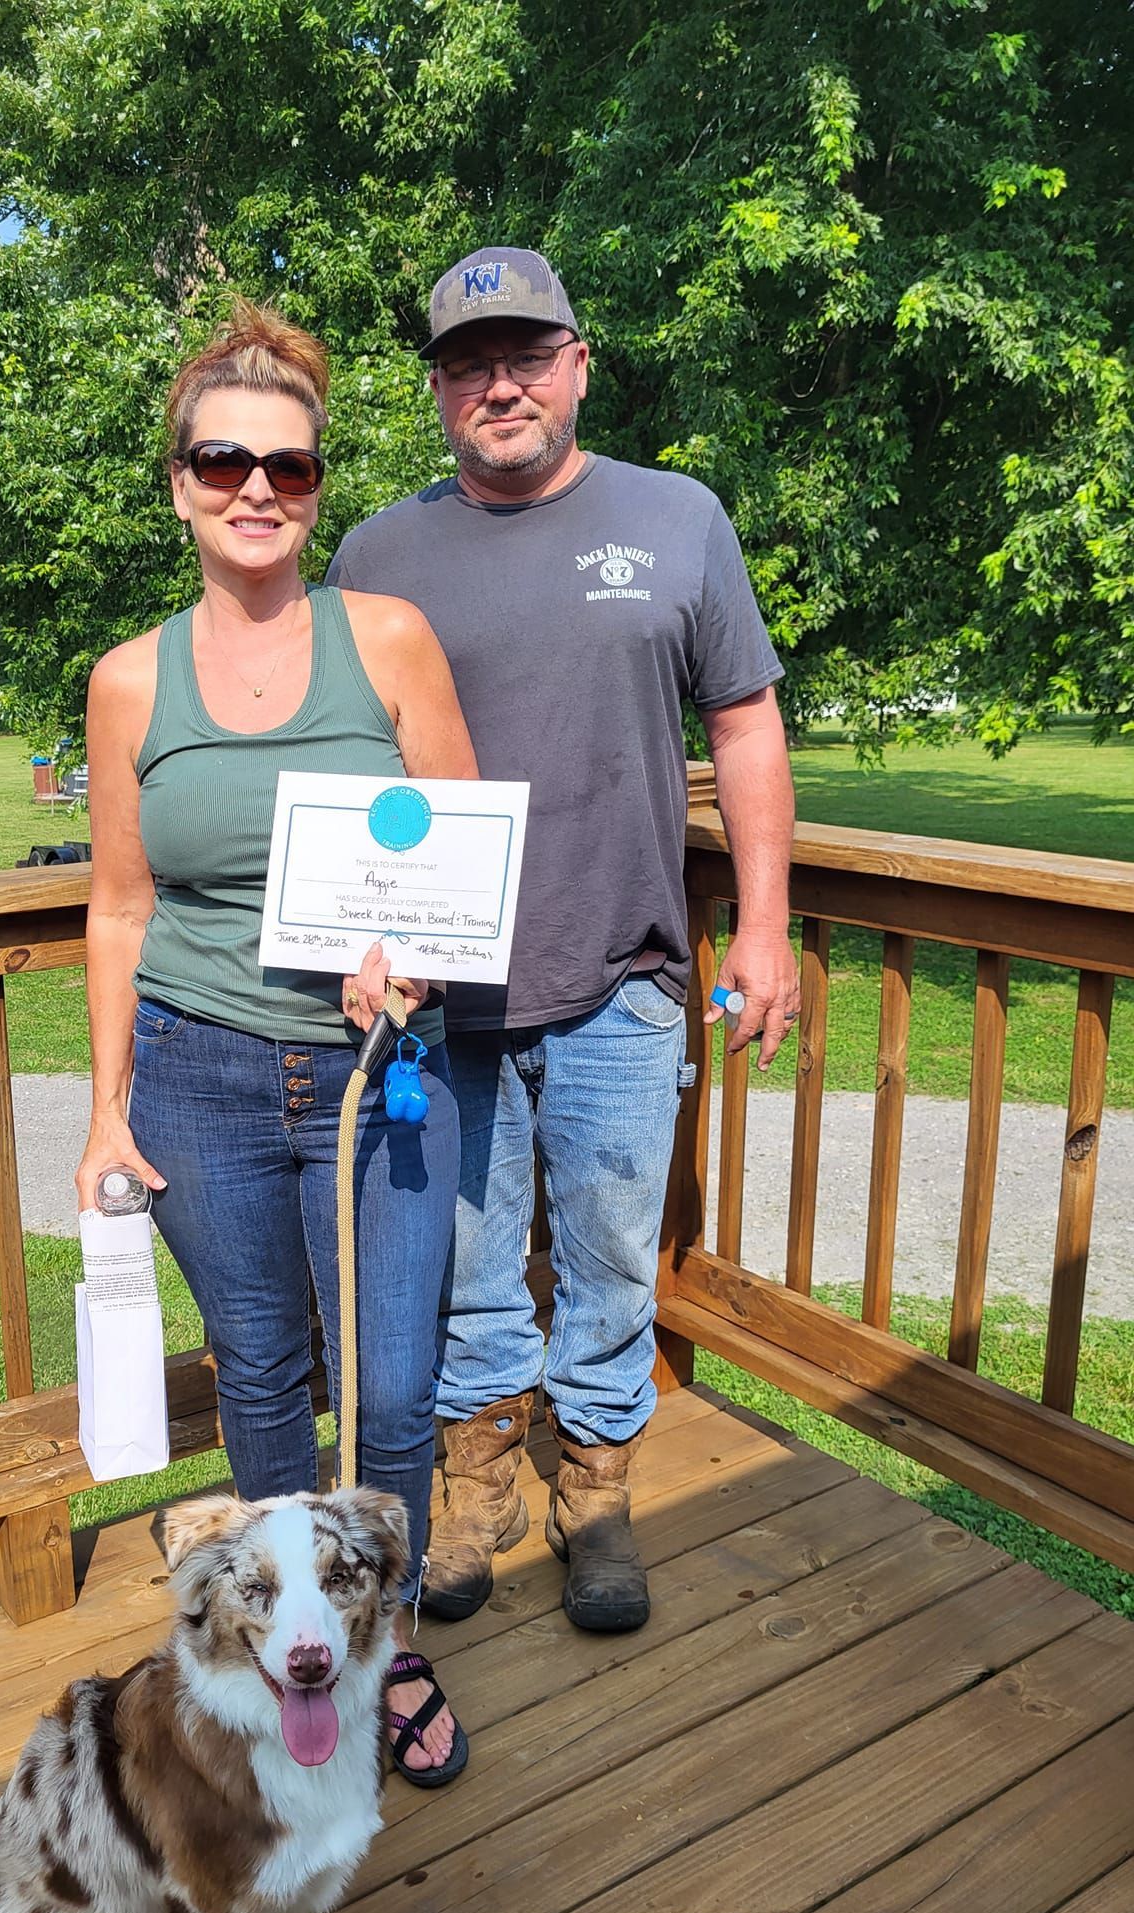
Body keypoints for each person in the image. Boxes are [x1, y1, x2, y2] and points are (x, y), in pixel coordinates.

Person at [327, 247, 799, 1633]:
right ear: (436, 391)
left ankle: (595, 1488)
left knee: (606, 1256)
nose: (502, 385)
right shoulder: (376, 552)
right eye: (471, 364)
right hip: (441, 996)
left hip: (625, 977)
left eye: (529, 355)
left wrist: (763, 927)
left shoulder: (677, 519)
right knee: (472, 1272)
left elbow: (747, 726)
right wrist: (356, 929)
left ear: (580, 364)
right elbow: (349, 762)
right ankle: (482, 1490)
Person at [75, 300, 479, 1783]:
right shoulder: (131, 679)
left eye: (291, 467)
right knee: (256, 1370)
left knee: (385, 1386)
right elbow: (121, 909)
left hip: (380, 1078)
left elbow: (461, 859)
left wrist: (415, 960)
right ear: (179, 479)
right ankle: (276, 1652)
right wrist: (108, 1109)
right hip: (199, 1072)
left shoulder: (389, 640)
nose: (258, 487)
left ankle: (388, 1645)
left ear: (318, 485)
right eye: (225, 459)